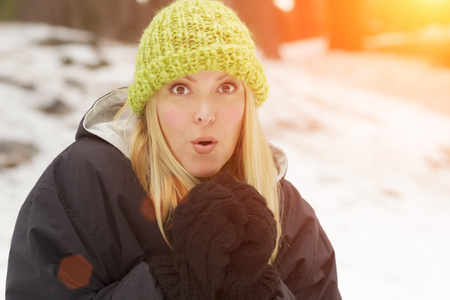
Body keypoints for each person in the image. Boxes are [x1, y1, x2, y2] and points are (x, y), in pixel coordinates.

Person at [6, 0, 341, 299]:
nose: (205, 114)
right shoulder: (84, 185)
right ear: (151, 103)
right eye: (181, 88)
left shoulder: (288, 213)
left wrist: (258, 288)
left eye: (226, 87)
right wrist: (173, 283)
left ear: (246, 102)